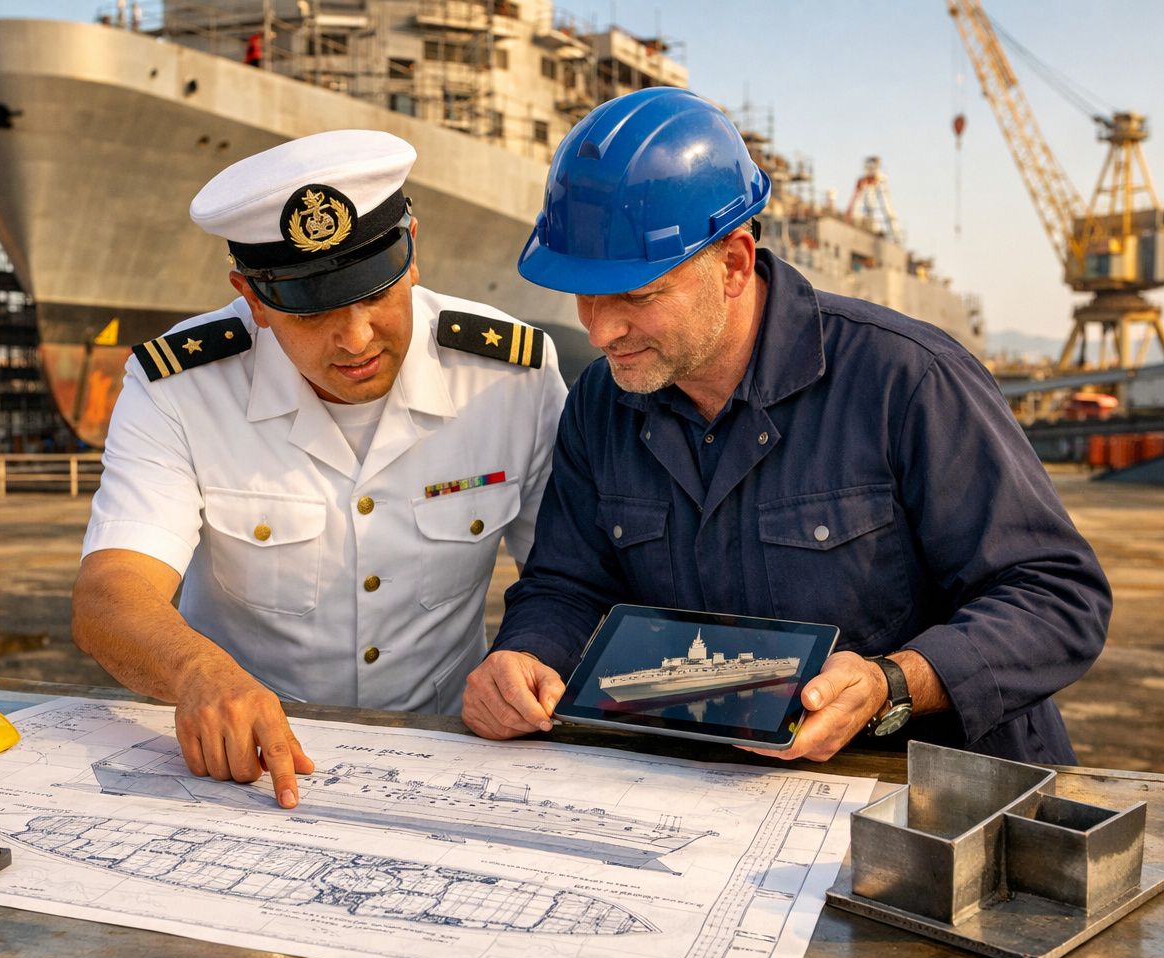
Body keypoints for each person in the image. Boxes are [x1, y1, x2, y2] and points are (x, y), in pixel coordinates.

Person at [463, 88, 1110, 766]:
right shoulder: (602, 402)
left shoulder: (907, 378)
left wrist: (894, 683)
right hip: (719, 793)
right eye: (585, 294)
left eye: (637, 295)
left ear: (735, 264)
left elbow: (1056, 597)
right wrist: (526, 654)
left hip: (933, 783)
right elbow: (567, 585)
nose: (600, 332)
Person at [75, 130, 567, 807]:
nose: (357, 338)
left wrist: (530, 657)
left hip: (450, 756)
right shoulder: (181, 387)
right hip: (252, 770)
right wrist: (197, 674)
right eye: (315, 313)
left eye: (376, 295)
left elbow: (566, 577)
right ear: (253, 299)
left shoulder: (510, 377)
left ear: (412, 252)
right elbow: (110, 592)